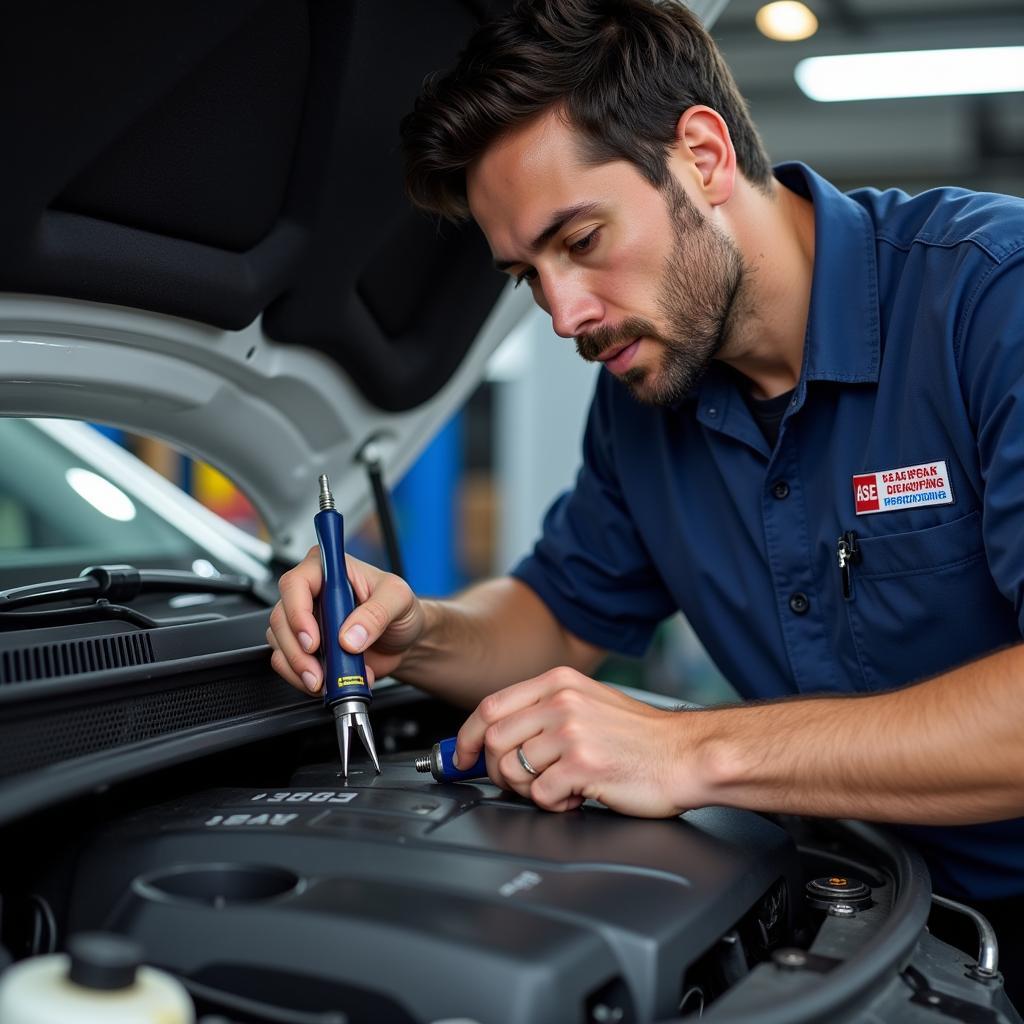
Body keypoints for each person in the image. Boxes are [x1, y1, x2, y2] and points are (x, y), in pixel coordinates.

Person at [268, 0, 1024, 991]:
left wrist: (692, 749)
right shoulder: (641, 396)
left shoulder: (990, 300)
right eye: (527, 276)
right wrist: (415, 633)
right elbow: (559, 613)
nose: (564, 313)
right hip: (869, 922)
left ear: (703, 156)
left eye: (580, 239)